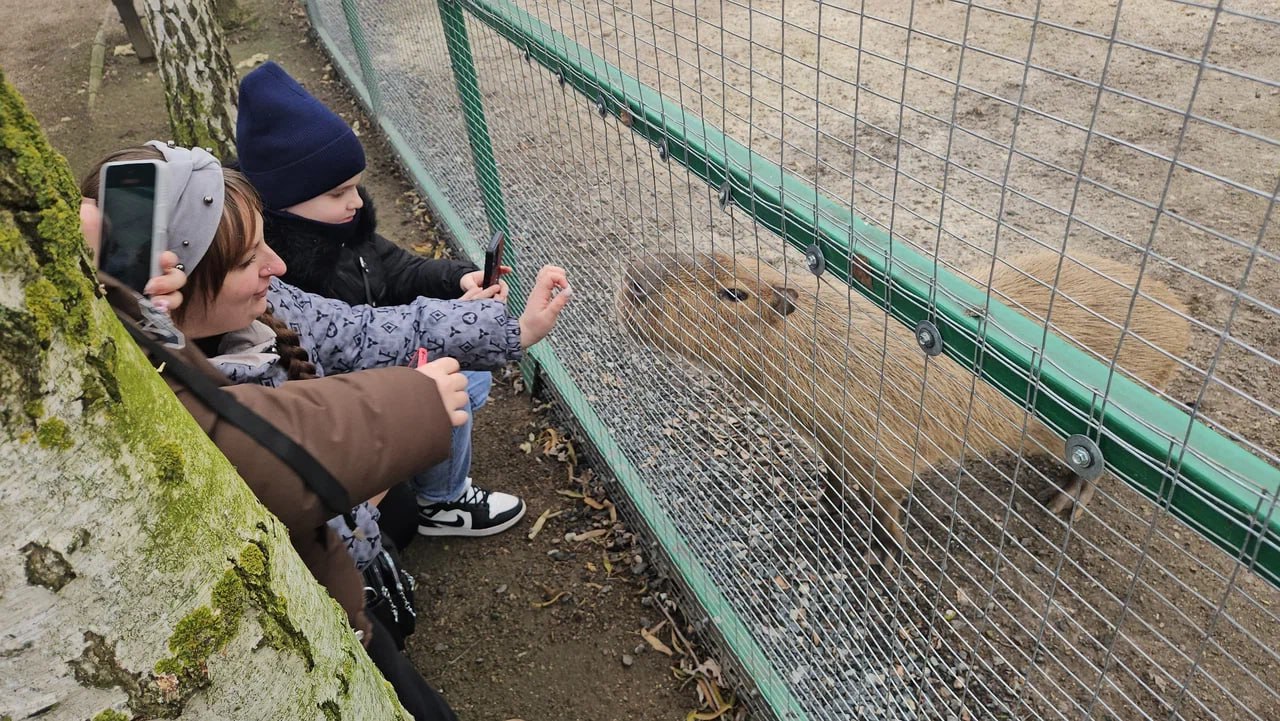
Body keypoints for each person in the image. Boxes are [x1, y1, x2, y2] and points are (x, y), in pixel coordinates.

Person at [79, 143, 565, 720]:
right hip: (318, 599)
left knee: (400, 525)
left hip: (345, 554)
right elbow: (291, 491)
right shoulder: (171, 407)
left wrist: (509, 329)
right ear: (175, 280)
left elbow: (364, 330)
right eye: (245, 260)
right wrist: (402, 429)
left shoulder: (266, 304)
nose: (277, 265)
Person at [233, 61, 522, 545]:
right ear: (283, 201)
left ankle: (420, 468)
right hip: (340, 402)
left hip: (374, 372)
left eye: (355, 186)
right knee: (450, 379)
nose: (357, 203)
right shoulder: (284, 271)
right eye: (338, 192)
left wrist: (459, 280)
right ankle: (442, 501)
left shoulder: (344, 229)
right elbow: (355, 339)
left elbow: (399, 269)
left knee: (468, 376)